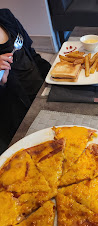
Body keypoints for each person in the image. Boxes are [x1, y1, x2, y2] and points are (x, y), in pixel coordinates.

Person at [0, 8, 51, 154]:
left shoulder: (6, 17)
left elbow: (32, 54)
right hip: (20, 115)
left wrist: (54, 76)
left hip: (43, 91)